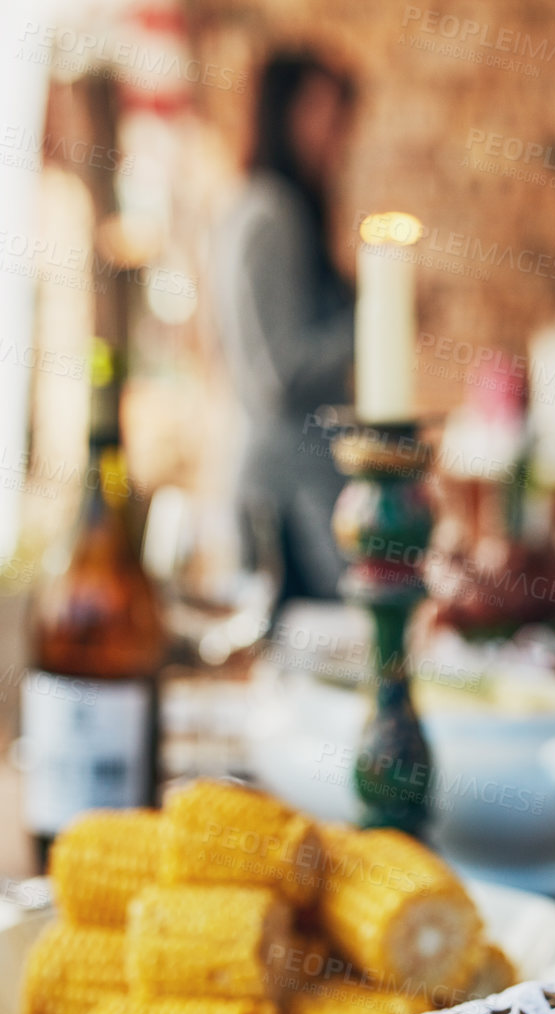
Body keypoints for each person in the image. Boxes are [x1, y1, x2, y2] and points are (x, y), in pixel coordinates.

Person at [214, 51, 357, 601]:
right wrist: (369, 329)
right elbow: (280, 374)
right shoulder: (272, 213)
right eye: (322, 110)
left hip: (288, 495)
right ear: (285, 112)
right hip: (288, 500)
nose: (336, 132)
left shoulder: (256, 207)